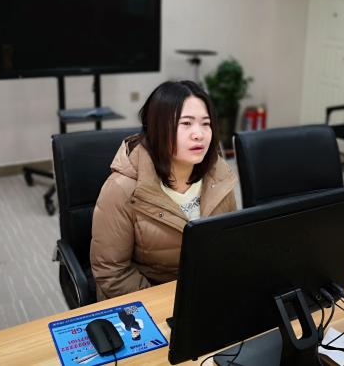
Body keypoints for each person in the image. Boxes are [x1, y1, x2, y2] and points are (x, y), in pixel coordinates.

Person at [90, 81, 237, 300]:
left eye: (206, 124)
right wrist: (175, 303)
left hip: (210, 292)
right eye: (186, 123)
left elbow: (232, 244)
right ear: (157, 128)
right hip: (151, 300)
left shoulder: (219, 175)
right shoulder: (121, 189)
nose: (199, 134)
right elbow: (112, 273)